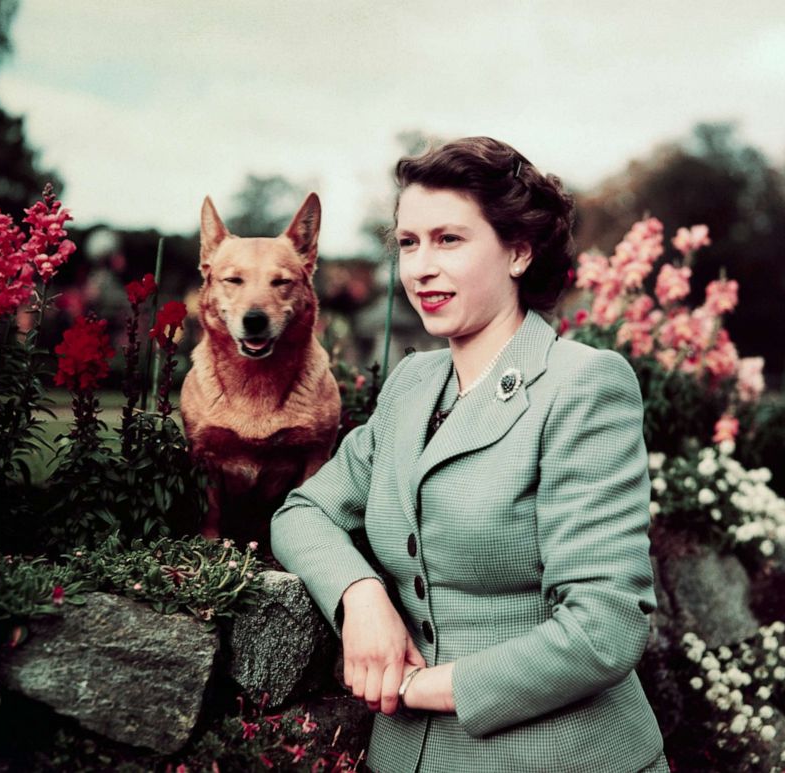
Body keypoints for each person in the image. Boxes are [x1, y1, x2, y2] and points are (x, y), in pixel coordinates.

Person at [270, 136, 668, 773]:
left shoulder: (583, 384)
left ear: (517, 251)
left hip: (558, 757)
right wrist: (361, 594)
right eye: (408, 242)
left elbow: (604, 628)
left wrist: (421, 687)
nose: (420, 267)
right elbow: (301, 513)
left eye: (449, 240)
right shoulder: (410, 385)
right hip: (405, 759)